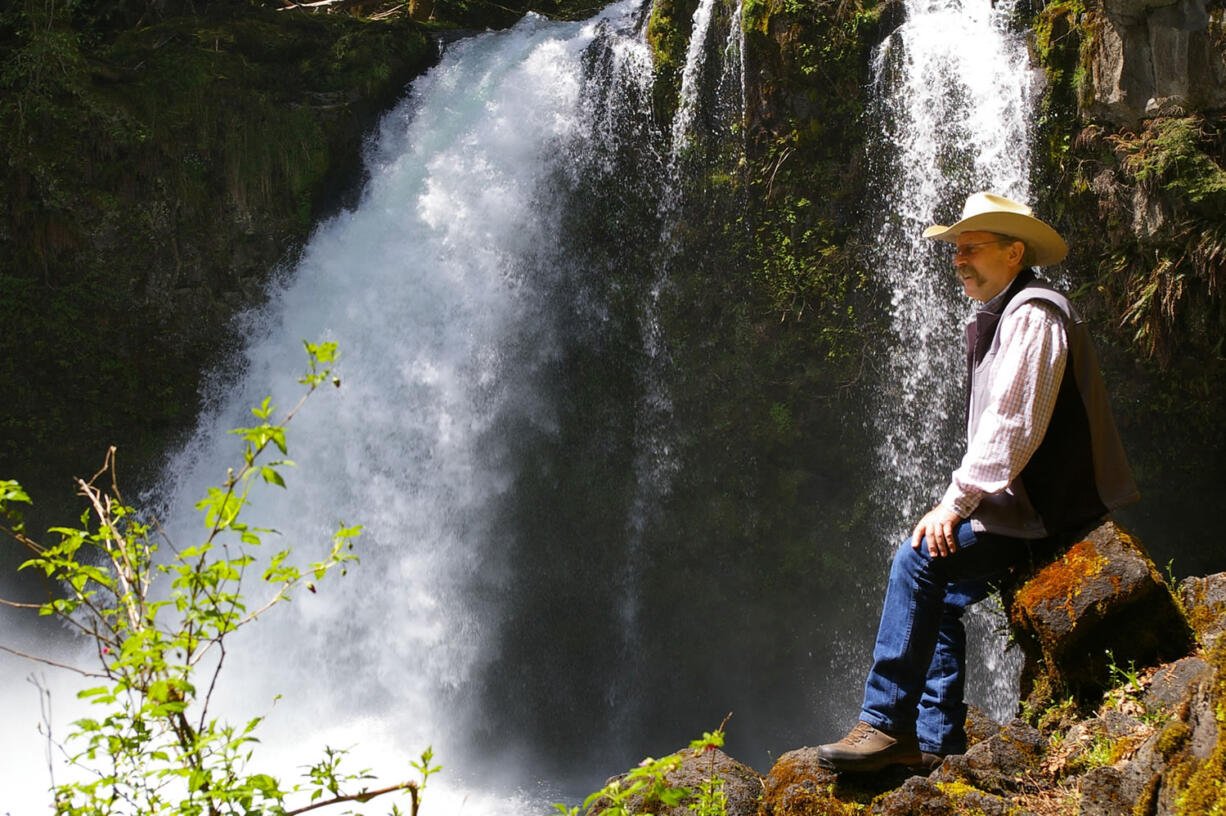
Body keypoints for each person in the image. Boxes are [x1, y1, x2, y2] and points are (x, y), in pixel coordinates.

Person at [816, 192, 1139, 773]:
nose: (959, 259)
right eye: (956, 250)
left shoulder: (1034, 314)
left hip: (1048, 511)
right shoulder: (1007, 313)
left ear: (1015, 252)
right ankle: (934, 743)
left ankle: (885, 723)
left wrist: (955, 504)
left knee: (918, 562)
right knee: (933, 595)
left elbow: (1013, 426)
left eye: (971, 248)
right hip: (1026, 508)